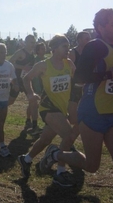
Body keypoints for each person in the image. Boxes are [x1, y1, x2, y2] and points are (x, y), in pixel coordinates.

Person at [40, 9, 113, 202]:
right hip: (93, 112)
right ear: (100, 27)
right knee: (92, 165)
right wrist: (110, 75)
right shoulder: (95, 46)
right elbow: (80, 77)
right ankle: (56, 154)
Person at [17, 35, 78, 187]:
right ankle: (60, 172)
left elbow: (75, 85)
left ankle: (26, 159)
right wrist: (31, 94)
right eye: (65, 46)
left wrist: (73, 106)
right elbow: (26, 78)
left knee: (45, 140)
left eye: (69, 45)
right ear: (54, 48)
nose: (68, 49)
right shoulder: (43, 65)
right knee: (68, 135)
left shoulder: (69, 64)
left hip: (62, 108)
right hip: (48, 107)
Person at [8, 35, 38, 132]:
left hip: (26, 81)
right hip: (17, 81)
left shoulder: (32, 53)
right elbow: (9, 62)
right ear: (26, 42)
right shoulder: (21, 52)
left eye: (34, 42)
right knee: (11, 101)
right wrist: (22, 67)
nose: (33, 44)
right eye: (31, 42)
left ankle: (33, 124)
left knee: (33, 101)